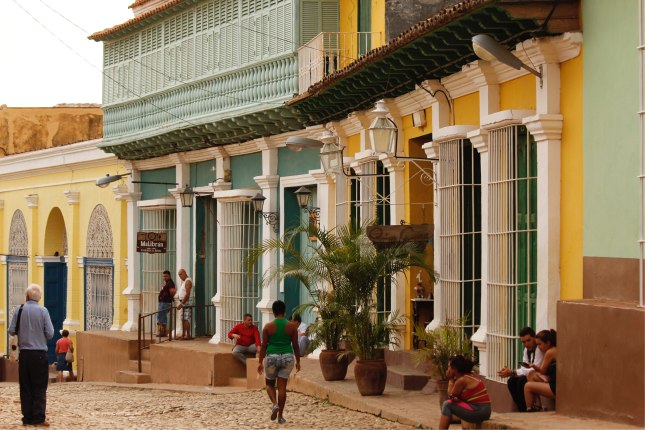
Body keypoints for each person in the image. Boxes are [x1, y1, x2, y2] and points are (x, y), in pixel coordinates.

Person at [8, 284, 54, 427]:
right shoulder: (43, 311)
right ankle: (38, 417)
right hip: (39, 354)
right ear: (39, 298)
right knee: (39, 386)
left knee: (26, 386)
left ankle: (27, 417)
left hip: (25, 355)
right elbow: (50, 334)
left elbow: (11, 330)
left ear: (27, 296)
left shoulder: (19, 309)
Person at [258, 300, 301, 424]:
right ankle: (280, 416)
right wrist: (298, 361)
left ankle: (274, 404)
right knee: (282, 387)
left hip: (272, 357)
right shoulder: (292, 327)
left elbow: (264, 346)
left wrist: (260, 362)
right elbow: (296, 346)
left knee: (269, 384)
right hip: (287, 357)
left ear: (273, 311)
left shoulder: (268, 327)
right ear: (284, 311)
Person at [496, 326, 544, 411]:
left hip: (539, 376)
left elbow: (534, 369)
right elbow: (524, 368)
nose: (526, 344)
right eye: (523, 342)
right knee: (511, 381)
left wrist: (512, 372)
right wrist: (512, 372)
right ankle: (521, 409)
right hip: (530, 375)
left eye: (528, 340)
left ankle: (526, 409)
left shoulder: (539, 349)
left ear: (534, 338)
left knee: (521, 381)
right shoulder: (526, 350)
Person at [439, 355, 492, 429]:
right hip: (484, 411)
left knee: (447, 405)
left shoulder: (462, 380)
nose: (448, 369)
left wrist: (451, 379)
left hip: (479, 411)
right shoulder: (469, 376)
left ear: (454, 369)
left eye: (449, 367)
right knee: (449, 404)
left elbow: (451, 395)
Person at [524, 329, 557, 412]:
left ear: (548, 343)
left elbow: (543, 371)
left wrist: (533, 366)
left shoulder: (550, 352)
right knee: (531, 374)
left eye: (540, 344)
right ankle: (538, 406)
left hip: (556, 387)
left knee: (527, 386)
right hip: (553, 381)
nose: (538, 347)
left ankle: (531, 410)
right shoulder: (554, 349)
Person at [176, 268, 194, 340]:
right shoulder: (184, 282)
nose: (180, 276)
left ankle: (188, 335)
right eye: (179, 275)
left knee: (186, 318)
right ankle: (184, 335)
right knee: (183, 318)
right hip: (184, 301)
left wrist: (182, 304)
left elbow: (187, 294)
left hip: (187, 302)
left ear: (185, 273)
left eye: (181, 274)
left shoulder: (188, 281)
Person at [157, 270, 176, 337]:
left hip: (165, 302)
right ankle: (162, 332)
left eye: (166, 276)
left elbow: (172, 292)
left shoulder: (170, 283)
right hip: (163, 302)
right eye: (163, 276)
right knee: (161, 316)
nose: (164, 277)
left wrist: (170, 300)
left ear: (169, 276)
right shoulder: (167, 283)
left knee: (161, 317)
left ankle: (162, 332)